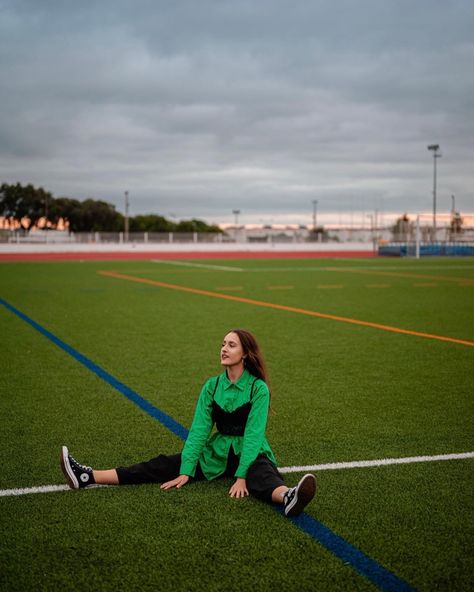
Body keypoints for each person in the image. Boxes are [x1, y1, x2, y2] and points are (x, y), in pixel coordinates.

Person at [60, 329, 316, 517]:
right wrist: (186, 468)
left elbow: (254, 434)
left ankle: (289, 496)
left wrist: (240, 476)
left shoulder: (258, 388)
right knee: (162, 465)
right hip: (216, 454)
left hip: (251, 452)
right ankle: (87, 476)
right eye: (223, 344)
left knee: (262, 476)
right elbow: (199, 430)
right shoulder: (212, 385)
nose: (224, 349)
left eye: (231, 345)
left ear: (246, 354)